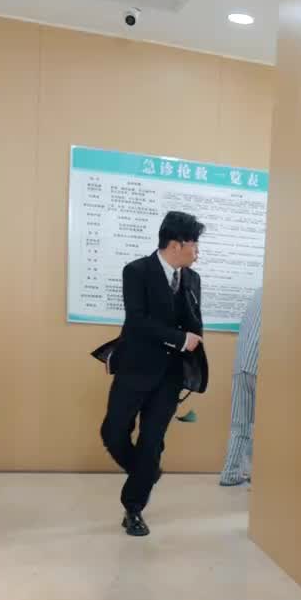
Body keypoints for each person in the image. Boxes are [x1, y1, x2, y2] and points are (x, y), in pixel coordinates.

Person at [100, 211, 205, 536]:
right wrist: (179, 339)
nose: (197, 252)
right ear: (176, 245)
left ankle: (133, 508)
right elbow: (137, 321)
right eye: (194, 244)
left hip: (170, 375)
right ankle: (146, 472)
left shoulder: (192, 279)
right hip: (135, 368)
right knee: (113, 432)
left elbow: (193, 321)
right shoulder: (137, 271)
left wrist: (192, 343)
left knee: (152, 441)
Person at [219, 285, 262, 487]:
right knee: (268, 424)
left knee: (240, 423)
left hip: (242, 363)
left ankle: (231, 473)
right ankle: (258, 472)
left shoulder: (260, 292)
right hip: (262, 364)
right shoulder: (284, 291)